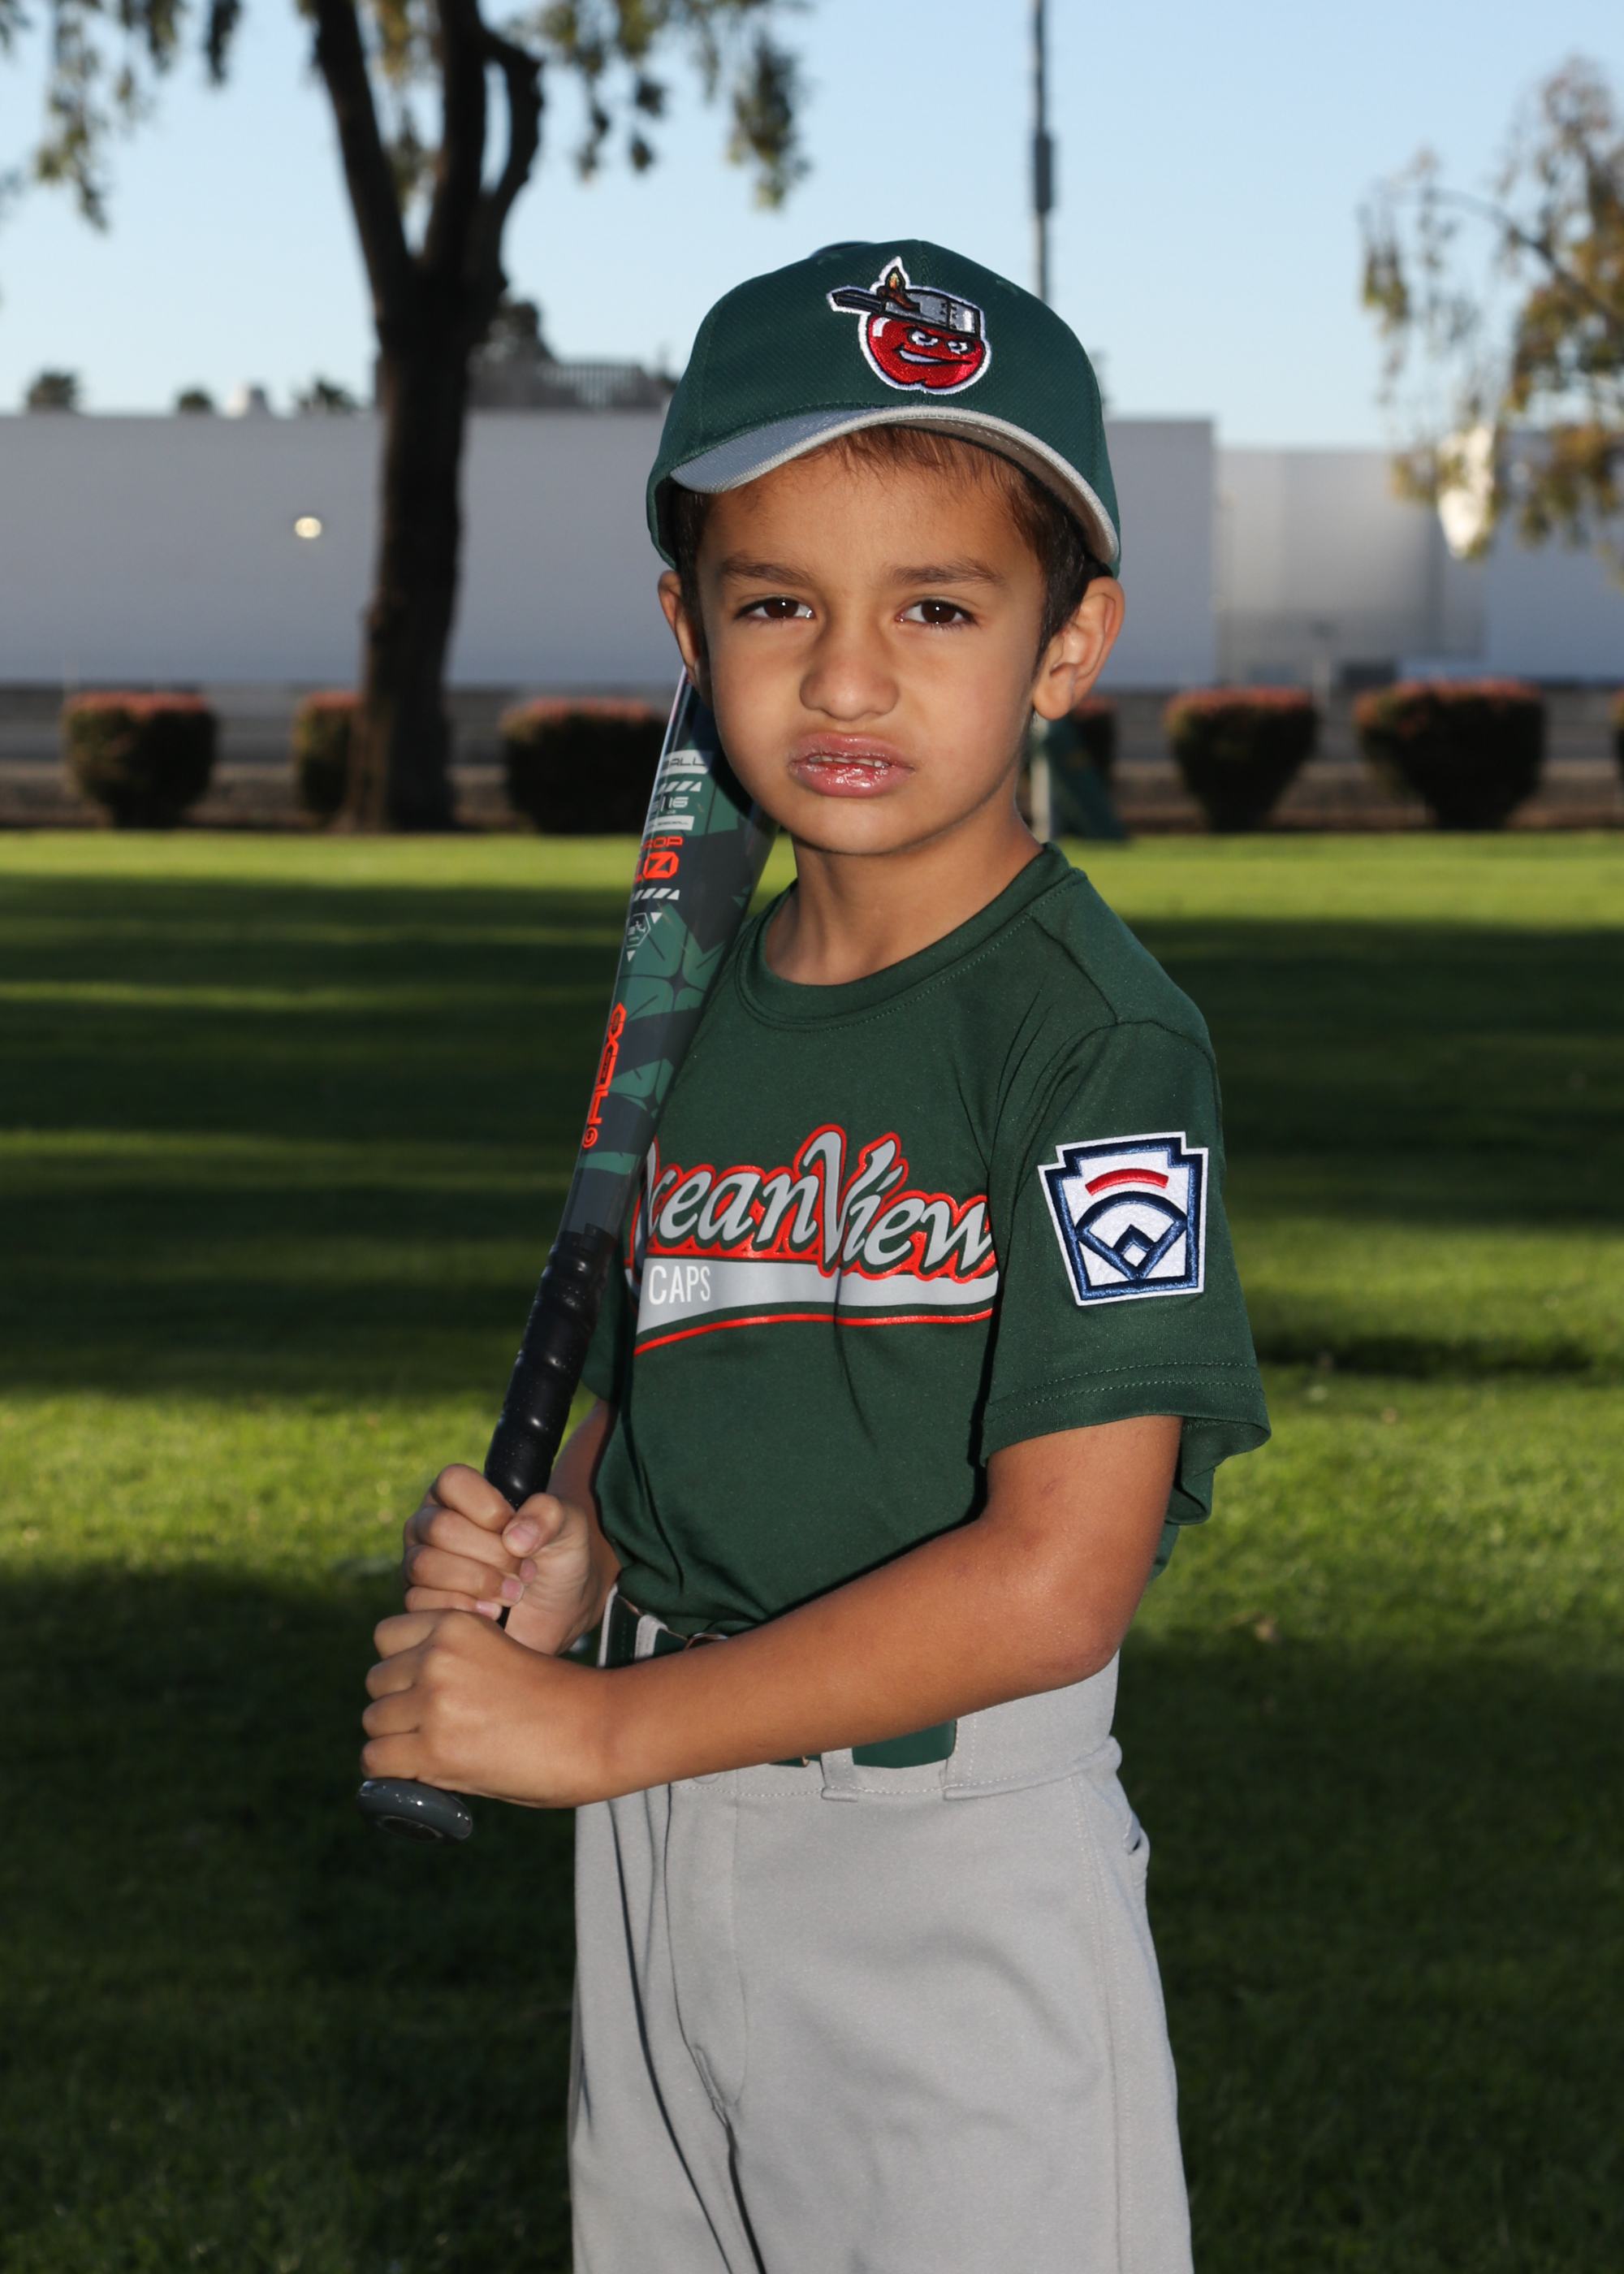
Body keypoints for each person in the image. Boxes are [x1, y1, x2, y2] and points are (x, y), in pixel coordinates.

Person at [362, 240, 1269, 2274]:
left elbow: (1061, 1575)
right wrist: (580, 1542)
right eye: (777, 602)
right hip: (662, 1848)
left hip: (943, 1870)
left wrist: (590, 1732)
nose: (847, 678)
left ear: (1067, 643)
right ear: (687, 626)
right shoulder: (698, 1008)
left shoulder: (1091, 1042)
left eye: (935, 606)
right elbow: (697, 1371)